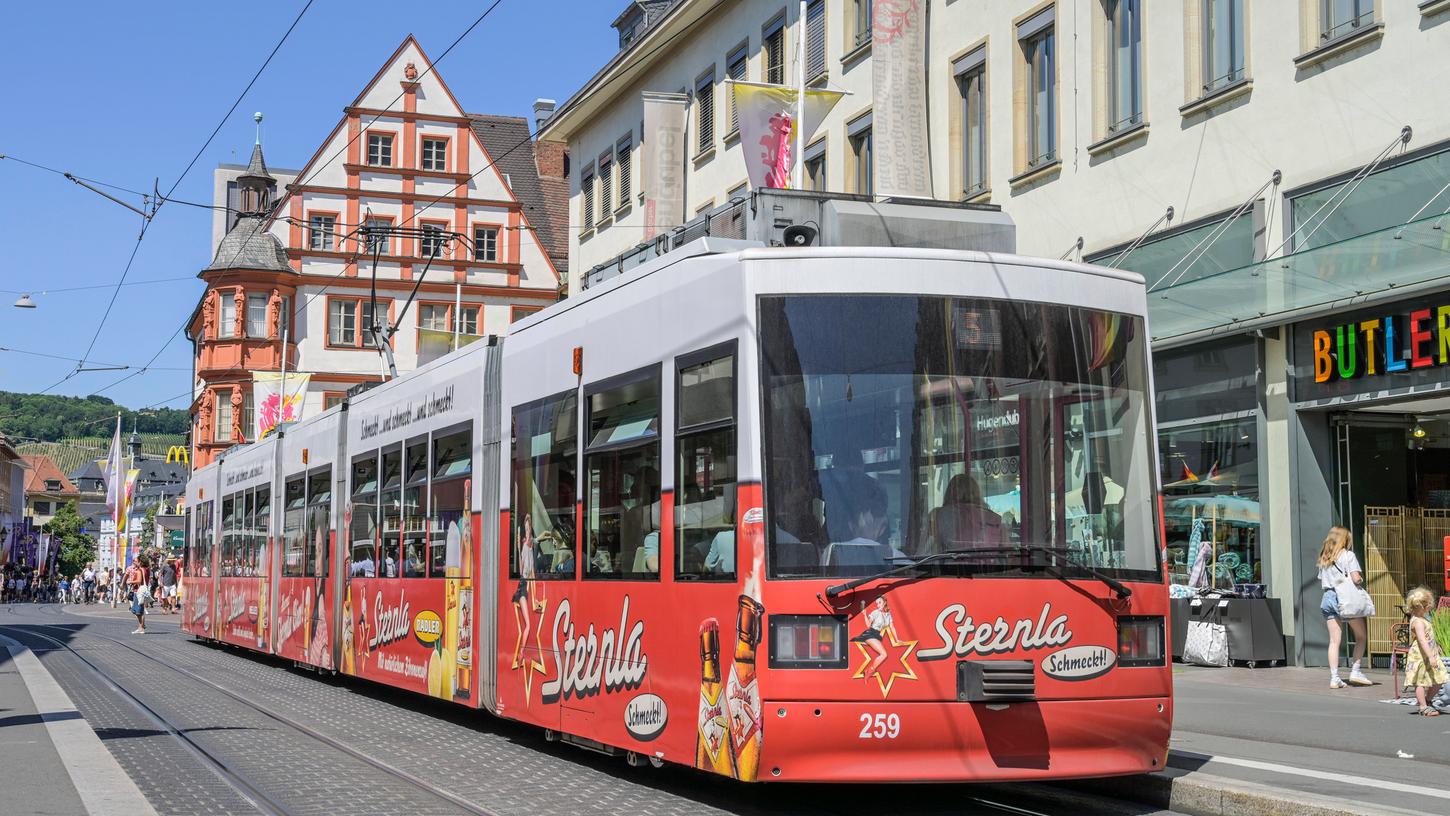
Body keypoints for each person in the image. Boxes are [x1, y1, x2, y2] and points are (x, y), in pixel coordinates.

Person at [1317, 526, 1372, 689]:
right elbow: (1355, 578)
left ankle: (1335, 678)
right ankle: (1355, 670)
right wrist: (1360, 579)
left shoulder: (1324, 558)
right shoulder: (1349, 555)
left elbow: (1322, 580)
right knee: (1361, 636)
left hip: (1328, 597)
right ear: (1344, 539)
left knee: (1334, 640)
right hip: (1345, 598)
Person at [1403, 587, 1447, 716]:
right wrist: (1430, 656)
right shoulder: (1417, 622)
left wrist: (1436, 645)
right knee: (1420, 681)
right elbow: (1422, 640)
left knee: (1440, 678)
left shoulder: (1423, 620)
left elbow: (1428, 638)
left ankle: (1427, 700)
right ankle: (1423, 706)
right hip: (1420, 656)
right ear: (1425, 606)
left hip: (1429, 653)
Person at [852, 595, 893, 682]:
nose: (878, 605)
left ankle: (868, 671)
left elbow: (892, 627)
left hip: (876, 635)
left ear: (885, 602)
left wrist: (897, 640)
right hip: (870, 634)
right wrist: (864, 615)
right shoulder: (875, 612)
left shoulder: (887, 614)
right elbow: (868, 625)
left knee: (883, 654)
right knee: (884, 654)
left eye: (880, 602)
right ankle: (869, 671)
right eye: (877, 603)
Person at [126, 559, 149, 634]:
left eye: (135, 561)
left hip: (138, 591)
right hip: (143, 591)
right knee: (139, 610)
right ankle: (141, 627)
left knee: (137, 611)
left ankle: (141, 627)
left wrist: (130, 581)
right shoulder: (147, 569)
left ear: (140, 562)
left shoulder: (139, 570)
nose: (134, 562)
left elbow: (139, 581)